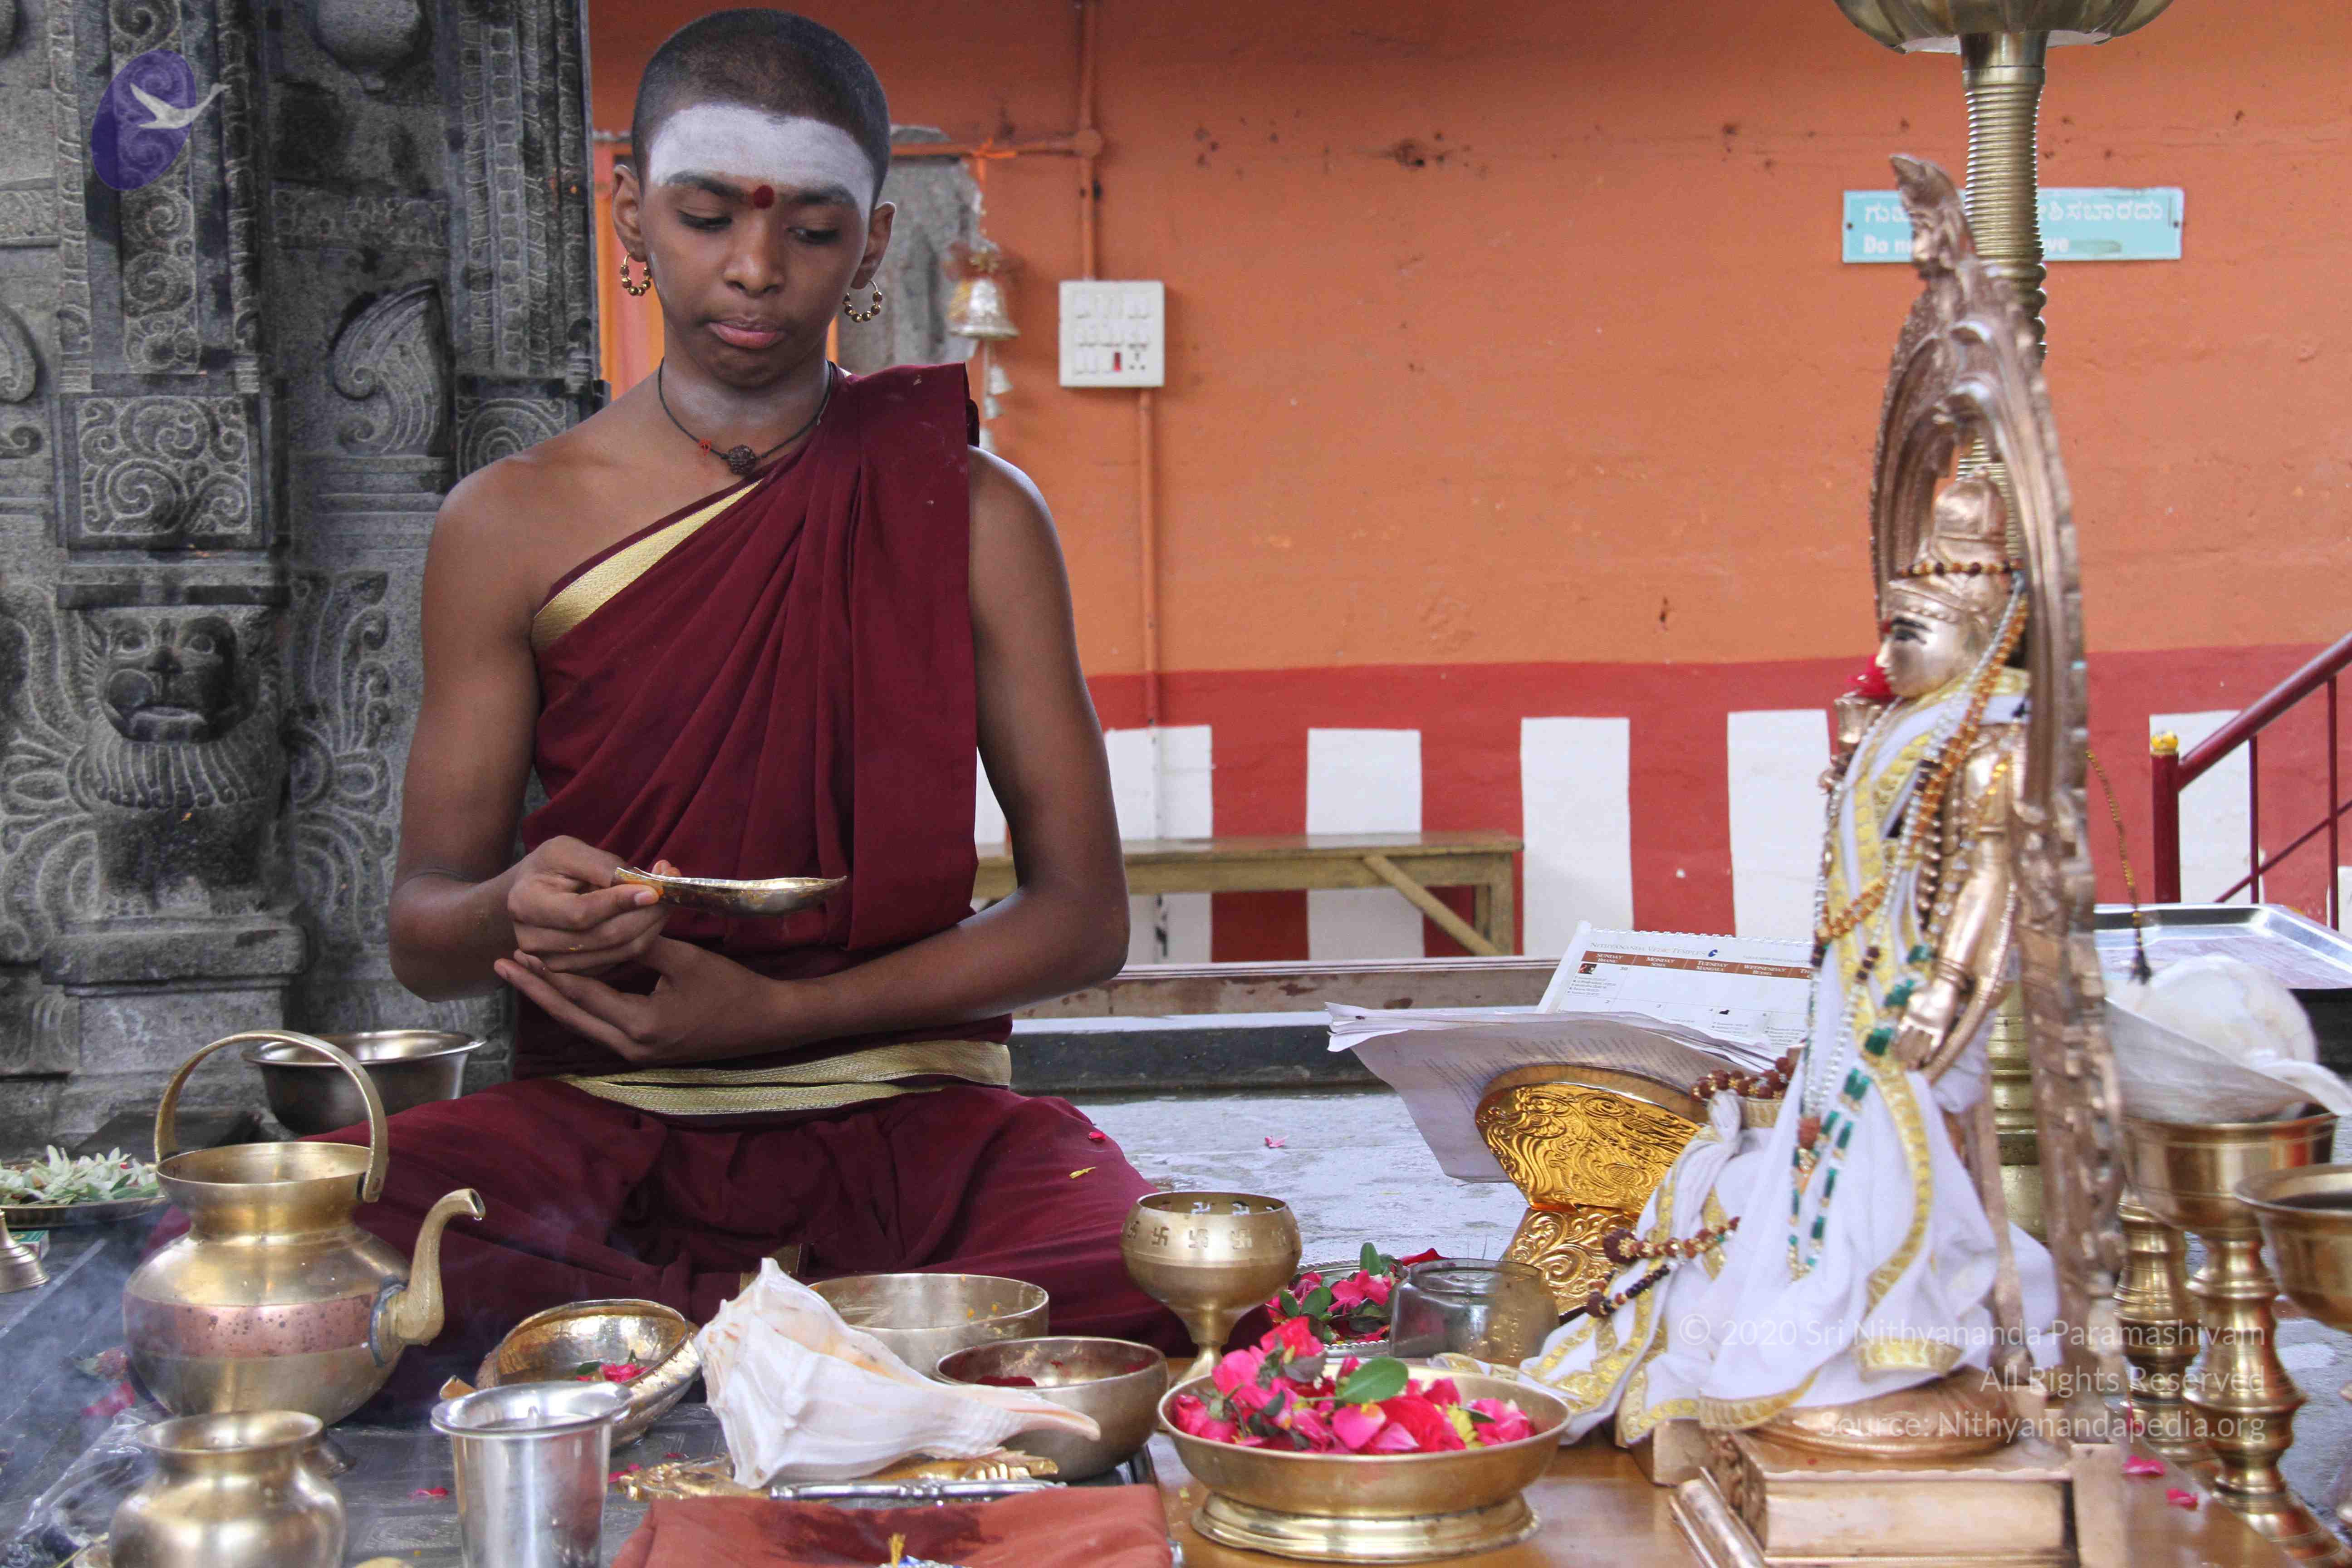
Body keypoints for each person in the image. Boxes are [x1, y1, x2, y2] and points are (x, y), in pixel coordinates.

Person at [344, 9, 1181, 1399]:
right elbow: (425, 936)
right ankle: (823, 1363)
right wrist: (515, 905)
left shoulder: (971, 510)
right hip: (603, 1126)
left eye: (811, 227)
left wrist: (768, 1019)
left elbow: (1082, 918)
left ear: (875, 242)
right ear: (632, 210)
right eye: (706, 215)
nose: (754, 268)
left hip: (918, 1124)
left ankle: (704, 1359)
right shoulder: (509, 520)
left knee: (1140, 1276)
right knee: (303, 1246)